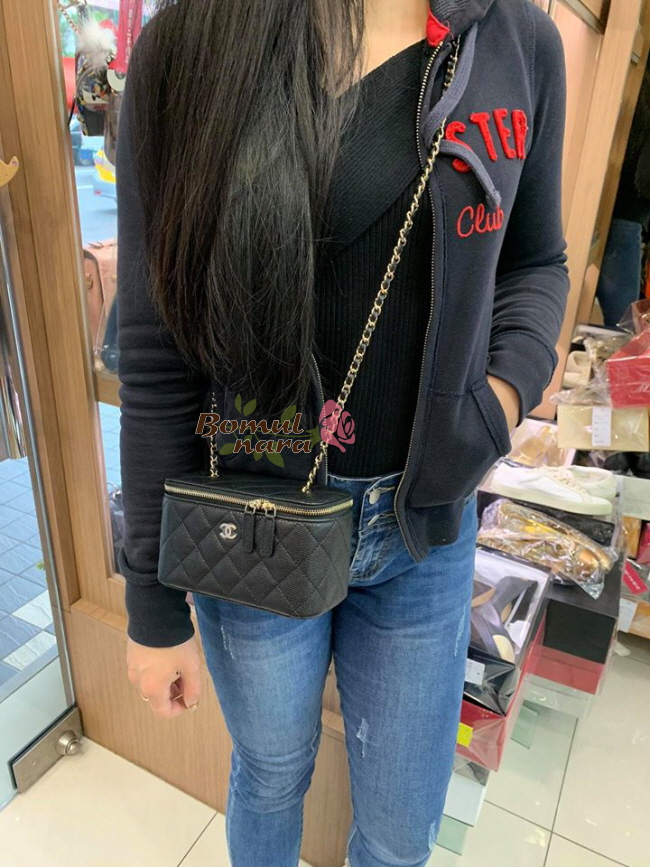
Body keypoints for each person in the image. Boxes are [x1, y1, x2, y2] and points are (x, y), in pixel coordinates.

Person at [115, 2, 568, 865]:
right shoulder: (193, 43)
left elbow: (535, 261)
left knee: (400, 832)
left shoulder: (516, 43)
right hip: (249, 523)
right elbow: (154, 343)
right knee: (271, 773)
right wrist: (151, 605)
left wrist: (499, 403)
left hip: (423, 527)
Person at [596, 60, 650, 328]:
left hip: (623, 208)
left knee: (622, 322)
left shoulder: (637, 77)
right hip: (627, 210)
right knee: (622, 322)